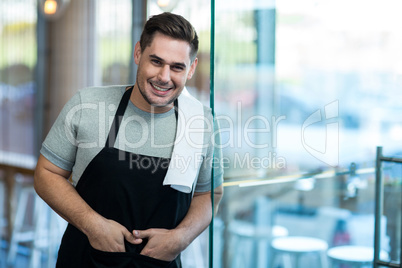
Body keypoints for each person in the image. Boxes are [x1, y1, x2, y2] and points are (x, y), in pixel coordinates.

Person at [34, 12, 223, 268]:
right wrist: (94, 226)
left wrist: (182, 238)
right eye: (156, 61)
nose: (164, 77)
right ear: (138, 54)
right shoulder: (87, 105)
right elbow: (46, 174)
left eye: (177, 67)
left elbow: (209, 194)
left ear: (191, 69)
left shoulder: (201, 122)